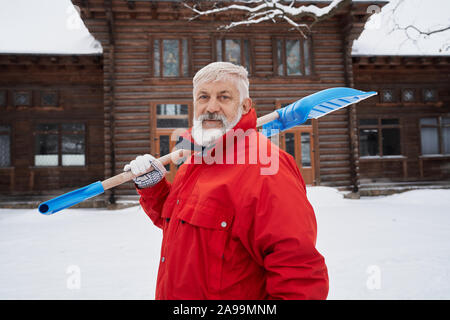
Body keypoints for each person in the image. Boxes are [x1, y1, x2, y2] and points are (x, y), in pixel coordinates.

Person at [124, 62, 329, 300]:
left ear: (245, 105)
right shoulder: (195, 160)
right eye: (203, 97)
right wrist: (153, 187)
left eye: (224, 97)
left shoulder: (267, 168)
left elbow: (299, 276)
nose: (211, 107)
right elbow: (179, 223)